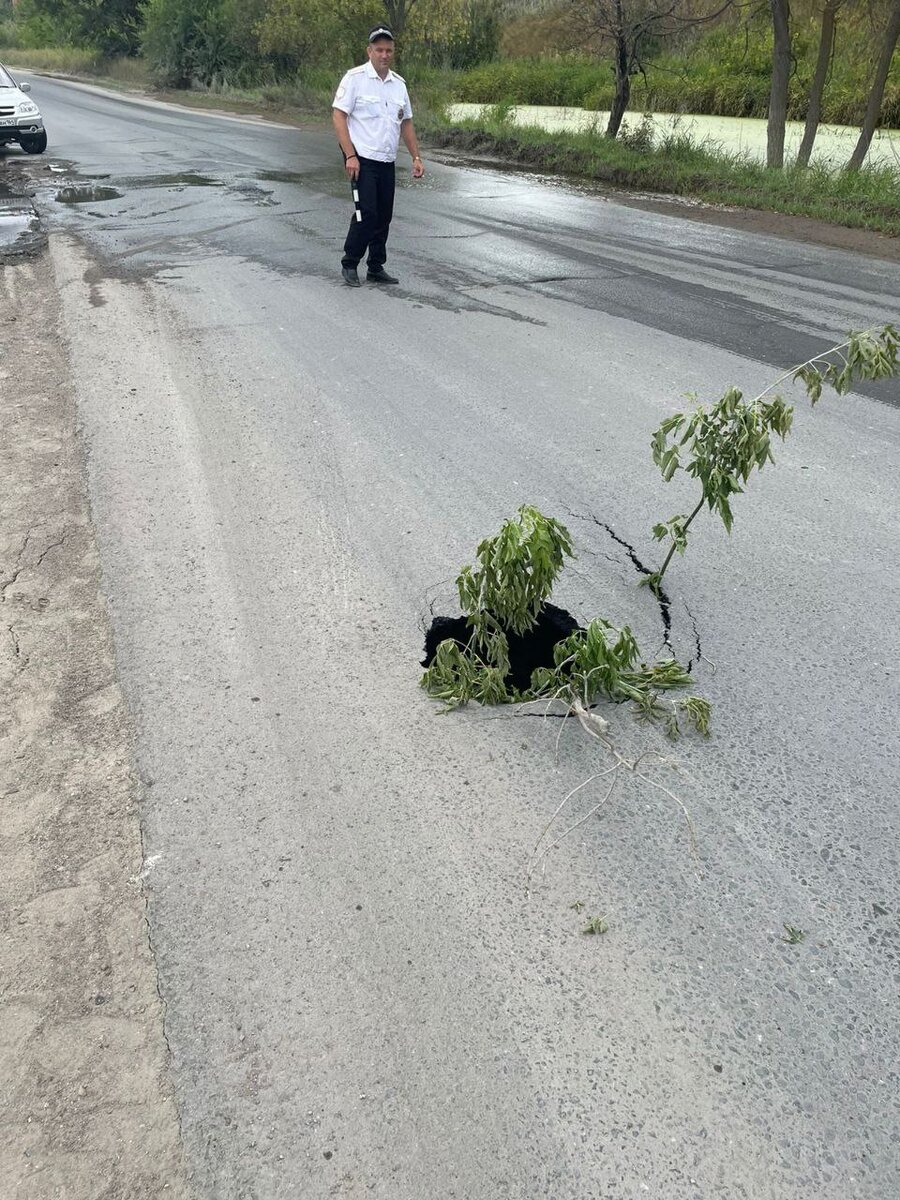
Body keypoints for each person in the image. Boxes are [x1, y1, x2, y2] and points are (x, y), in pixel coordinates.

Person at [332, 25, 425, 287]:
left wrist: (416, 157)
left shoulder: (398, 85)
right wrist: (350, 155)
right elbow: (339, 115)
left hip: (386, 159)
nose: (384, 54)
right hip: (361, 159)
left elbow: (405, 122)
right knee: (367, 213)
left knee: (384, 215)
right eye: (379, 50)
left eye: (389, 50)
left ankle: (375, 266)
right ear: (369, 51)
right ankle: (350, 263)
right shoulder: (355, 79)